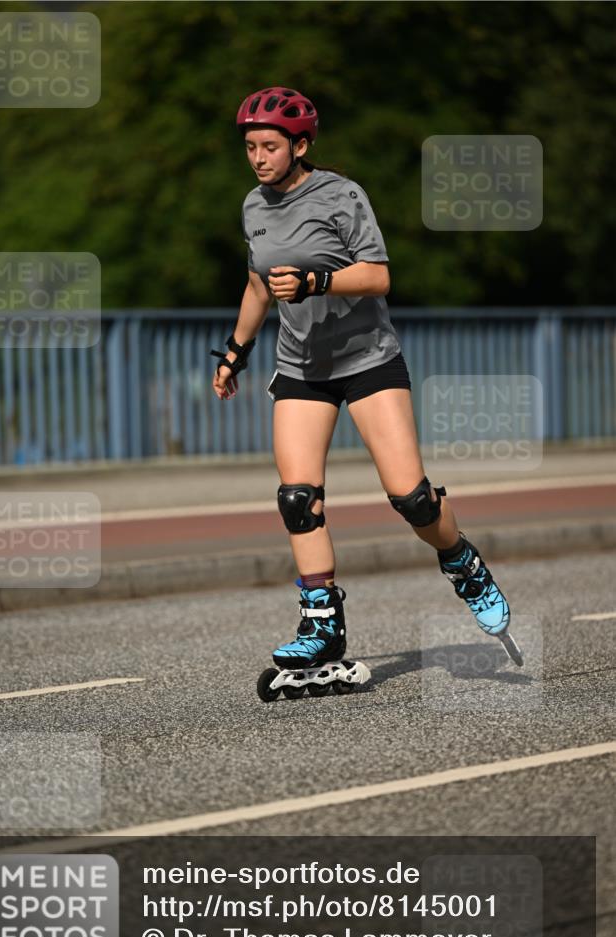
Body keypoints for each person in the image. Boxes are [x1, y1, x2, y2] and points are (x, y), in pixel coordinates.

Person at [210, 86, 512, 689]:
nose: (259, 158)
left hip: (368, 360)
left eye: (270, 146)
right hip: (301, 367)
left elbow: (377, 277)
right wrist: (235, 354)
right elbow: (258, 285)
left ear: (300, 146)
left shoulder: (342, 196)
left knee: (412, 499)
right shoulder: (253, 205)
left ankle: (462, 562)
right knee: (297, 499)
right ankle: (322, 624)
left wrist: (316, 281)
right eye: (250, 147)